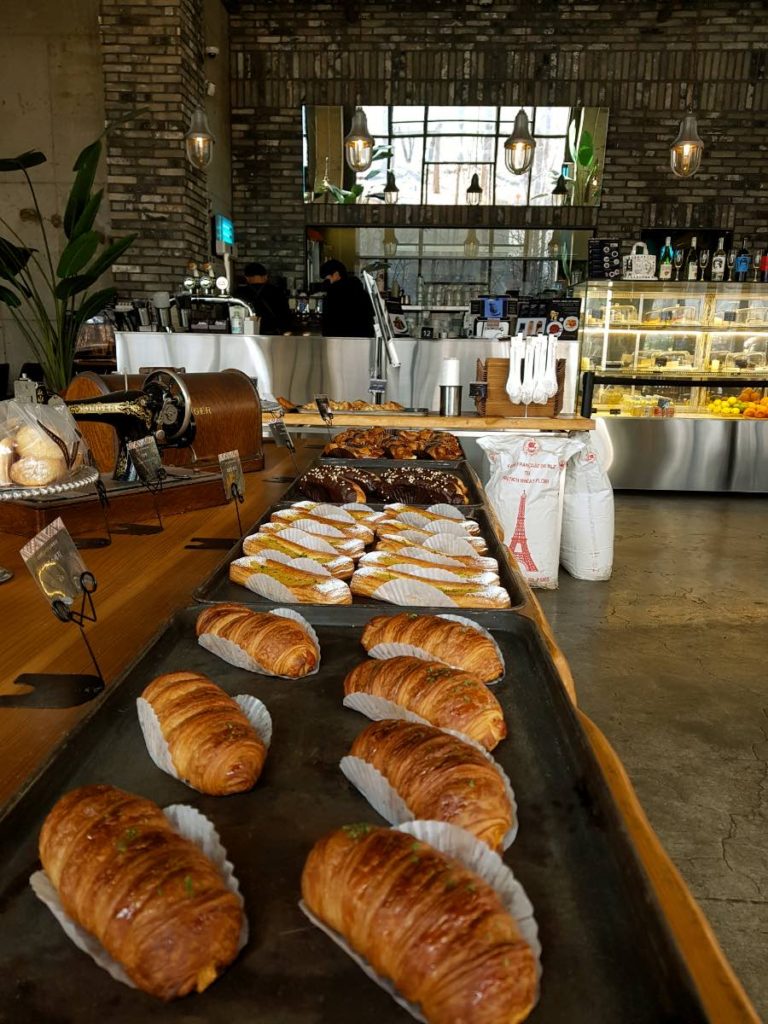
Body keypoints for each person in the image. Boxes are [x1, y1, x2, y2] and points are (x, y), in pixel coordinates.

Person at [319, 259, 375, 338]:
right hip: (363, 342)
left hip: (340, 343)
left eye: (326, 279)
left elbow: (328, 327)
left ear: (336, 275)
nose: (325, 282)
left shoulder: (333, 295)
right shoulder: (361, 292)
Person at [234, 262, 290, 335]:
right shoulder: (277, 292)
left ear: (246, 278)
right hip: (273, 335)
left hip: (247, 335)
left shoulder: (239, 293)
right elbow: (287, 317)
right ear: (266, 276)